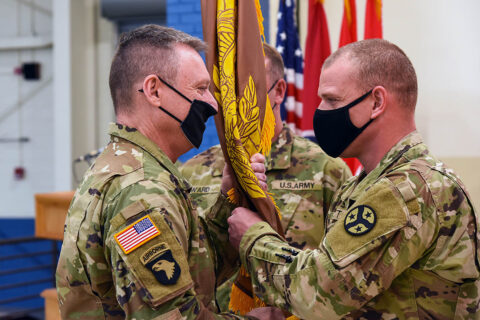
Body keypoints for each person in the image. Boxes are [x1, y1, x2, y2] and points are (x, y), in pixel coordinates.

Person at [228, 39, 480, 319]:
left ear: (377, 102)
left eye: (333, 100)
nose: (321, 110)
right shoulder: (365, 184)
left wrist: (252, 235)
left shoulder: (405, 189)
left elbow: (320, 294)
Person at [56, 25, 267, 319]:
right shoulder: (141, 189)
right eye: (200, 88)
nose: (213, 104)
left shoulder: (129, 168)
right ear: (154, 90)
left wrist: (228, 200)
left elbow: (192, 273)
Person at [180, 43, 351, 311]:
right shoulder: (192, 172)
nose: (237, 101)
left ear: (279, 91)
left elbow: (341, 272)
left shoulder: (326, 171)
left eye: (250, 89)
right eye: (228, 91)